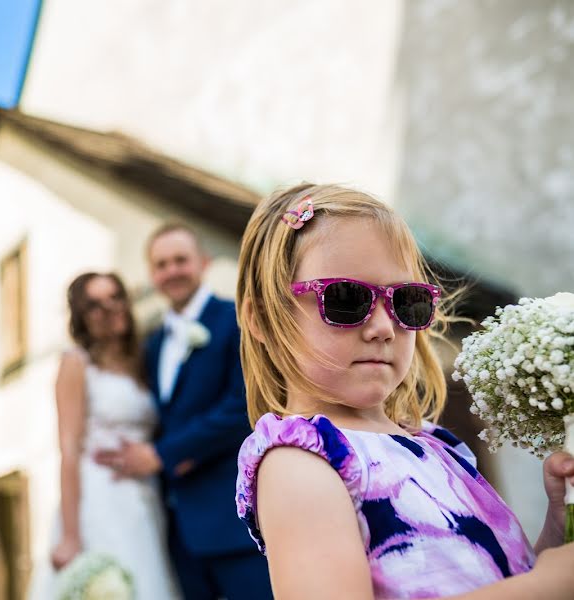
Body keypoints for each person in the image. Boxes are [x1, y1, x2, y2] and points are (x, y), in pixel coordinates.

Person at [233, 183, 574, 599]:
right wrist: (547, 585)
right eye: (346, 298)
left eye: (406, 300)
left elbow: (491, 580)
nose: (381, 327)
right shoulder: (300, 464)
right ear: (263, 317)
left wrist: (556, 535)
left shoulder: (434, 445)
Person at [96, 224, 271, 599]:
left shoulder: (237, 321)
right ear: (151, 275)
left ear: (203, 263)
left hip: (232, 521)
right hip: (174, 532)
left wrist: (161, 455)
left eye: (180, 260)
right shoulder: (153, 343)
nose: (171, 270)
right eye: (161, 264)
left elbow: (243, 407)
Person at [34, 272, 181, 599]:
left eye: (116, 297)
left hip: (145, 499)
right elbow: (69, 450)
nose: (111, 308)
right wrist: (71, 535)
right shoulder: (76, 363)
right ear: (82, 317)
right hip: (100, 499)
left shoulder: (141, 361)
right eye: (96, 305)